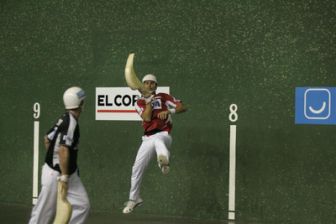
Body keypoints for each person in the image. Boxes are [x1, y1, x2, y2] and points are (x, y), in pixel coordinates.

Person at [123, 74, 187, 214]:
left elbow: (182, 107)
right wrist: (149, 102)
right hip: (147, 138)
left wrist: (168, 111)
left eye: (152, 83)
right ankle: (134, 199)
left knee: (158, 140)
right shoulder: (139, 102)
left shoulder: (163, 97)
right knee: (136, 168)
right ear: (143, 85)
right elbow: (146, 117)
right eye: (146, 83)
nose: (149, 85)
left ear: (156, 86)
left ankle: (163, 162)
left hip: (164, 135)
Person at [28, 86, 90, 224]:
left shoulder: (63, 118)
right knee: (44, 212)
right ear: (80, 103)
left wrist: (59, 163)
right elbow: (63, 149)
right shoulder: (70, 123)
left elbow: (47, 139)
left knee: (82, 205)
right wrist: (63, 174)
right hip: (57, 175)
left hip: (69, 173)